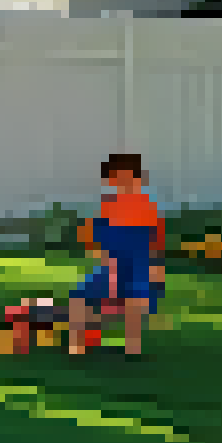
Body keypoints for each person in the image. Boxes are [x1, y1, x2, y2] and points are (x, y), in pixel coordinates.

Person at [67, 153, 166, 357]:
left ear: (135, 178)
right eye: (114, 178)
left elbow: (155, 245)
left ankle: (132, 349)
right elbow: (100, 243)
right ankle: (77, 347)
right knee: (78, 297)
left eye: (123, 177)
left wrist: (156, 271)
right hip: (112, 267)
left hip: (139, 269)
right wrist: (108, 267)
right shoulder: (108, 206)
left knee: (133, 300)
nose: (118, 182)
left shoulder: (147, 206)